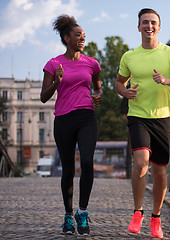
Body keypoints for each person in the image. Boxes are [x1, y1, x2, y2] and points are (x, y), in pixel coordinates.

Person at [115, 8, 170, 239]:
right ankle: (138, 212)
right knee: (141, 163)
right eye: (145, 23)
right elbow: (119, 83)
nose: (149, 26)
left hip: (162, 117)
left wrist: (167, 80)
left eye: (153, 23)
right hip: (138, 116)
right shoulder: (129, 56)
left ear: (159, 27)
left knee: (160, 173)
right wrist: (125, 92)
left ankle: (156, 217)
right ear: (138, 27)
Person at [40, 14, 102, 235]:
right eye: (78, 35)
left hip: (86, 117)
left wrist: (98, 95)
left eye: (84, 35)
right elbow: (43, 97)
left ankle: (82, 212)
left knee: (86, 161)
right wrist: (57, 81)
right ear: (66, 38)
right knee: (68, 169)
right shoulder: (53, 63)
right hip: (64, 119)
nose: (82, 38)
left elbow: (97, 86)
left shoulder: (91, 63)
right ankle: (68, 216)